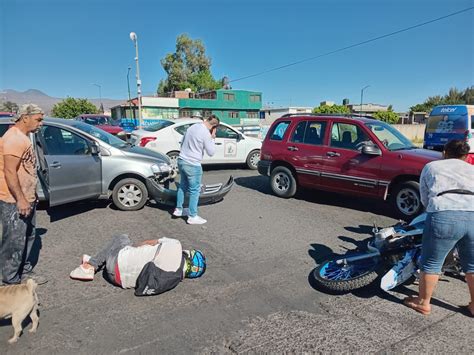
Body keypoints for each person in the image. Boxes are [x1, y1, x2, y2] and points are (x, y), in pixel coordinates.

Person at [404, 139, 474, 316]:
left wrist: (432, 210)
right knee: (472, 265)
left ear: (444, 152)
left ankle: (423, 303)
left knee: (432, 262)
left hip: (444, 214)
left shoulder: (432, 167)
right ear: (466, 156)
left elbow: (425, 197)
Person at [0, 104, 46, 285]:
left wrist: (31, 196)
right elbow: (10, 172)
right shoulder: (14, 139)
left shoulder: (24, 137)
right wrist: (20, 199)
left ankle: (25, 272)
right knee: (13, 241)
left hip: (26, 198)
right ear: (25, 118)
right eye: (38, 119)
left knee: (28, 236)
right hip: (13, 200)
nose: (41, 123)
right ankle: (10, 281)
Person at [69, 236, 206, 295]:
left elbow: (147, 242)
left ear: (189, 254)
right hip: (117, 280)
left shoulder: (175, 245)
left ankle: (91, 266)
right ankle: (100, 259)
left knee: (123, 238)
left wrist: (132, 248)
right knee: (121, 252)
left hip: (116, 261)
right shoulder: (173, 280)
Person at [173, 115, 220, 225]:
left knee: (183, 186)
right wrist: (212, 138)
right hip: (193, 164)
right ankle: (192, 216)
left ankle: (179, 209)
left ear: (207, 120)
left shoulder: (192, 127)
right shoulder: (206, 133)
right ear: (214, 126)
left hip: (181, 160)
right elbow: (211, 152)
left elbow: (182, 140)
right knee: (195, 190)